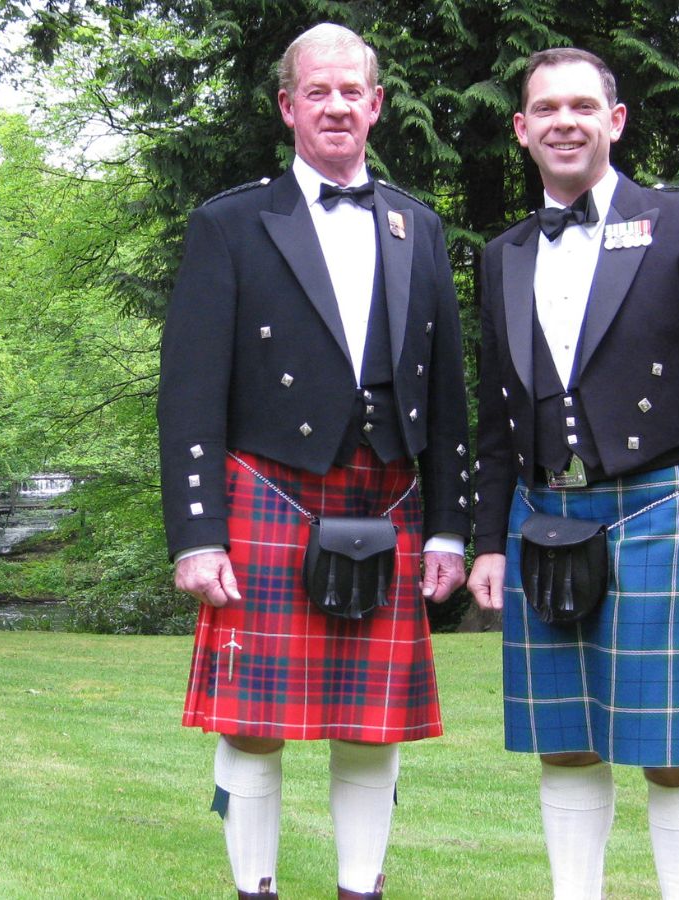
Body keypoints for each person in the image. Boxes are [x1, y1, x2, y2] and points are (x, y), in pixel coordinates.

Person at [156, 22, 472, 900]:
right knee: (253, 724)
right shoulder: (229, 224)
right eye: (318, 91)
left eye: (353, 91)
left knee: (374, 727)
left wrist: (450, 528)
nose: (337, 106)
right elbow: (188, 392)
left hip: (391, 497)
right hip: (267, 491)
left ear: (375, 106)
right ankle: (255, 889)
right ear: (290, 106)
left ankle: (358, 889)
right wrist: (197, 533)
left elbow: (448, 397)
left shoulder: (421, 226)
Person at [466, 47, 679, 899]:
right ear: (524, 130)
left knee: (674, 750)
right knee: (564, 738)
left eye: (582, 106)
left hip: (661, 509)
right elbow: (498, 414)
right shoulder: (504, 254)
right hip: (542, 519)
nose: (565, 122)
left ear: (615, 120)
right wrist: (488, 538)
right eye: (545, 110)